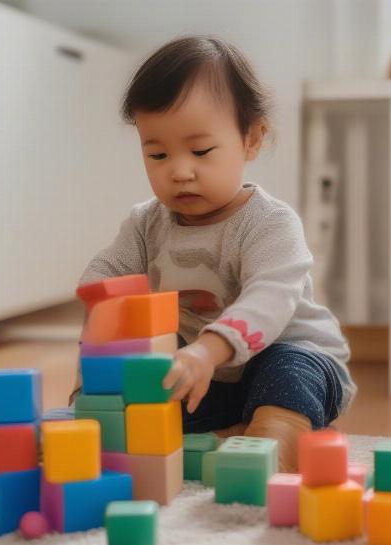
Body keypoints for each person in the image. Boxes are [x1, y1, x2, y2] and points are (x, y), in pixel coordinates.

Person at [74, 35, 357, 472]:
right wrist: (100, 359)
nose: (180, 170)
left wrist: (208, 350)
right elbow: (108, 272)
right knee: (155, 391)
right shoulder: (145, 223)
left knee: (290, 373)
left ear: (251, 139)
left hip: (289, 353)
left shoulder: (269, 224)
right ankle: (230, 429)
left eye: (201, 151)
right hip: (205, 372)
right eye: (158, 154)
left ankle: (277, 439)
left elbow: (269, 299)